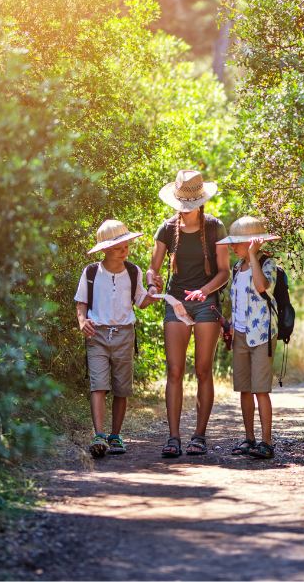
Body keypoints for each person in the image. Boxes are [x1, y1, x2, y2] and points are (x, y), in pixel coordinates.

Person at [148, 170, 229, 458]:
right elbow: (153, 268)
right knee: (174, 370)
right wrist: (151, 282)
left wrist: (205, 292)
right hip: (176, 302)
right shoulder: (167, 229)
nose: (187, 209)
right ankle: (173, 438)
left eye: (191, 203)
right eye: (183, 203)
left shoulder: (215, 227)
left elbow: (223, 272)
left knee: (203, 370)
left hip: (206, 303)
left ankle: (199, 435)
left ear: (201, 201)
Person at [75, 219, 158, 458]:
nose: (125, 250)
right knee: (98, 385)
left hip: (124, 334)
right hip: (97, 334)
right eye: (119, 247)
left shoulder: (133, 271)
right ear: (105, 250)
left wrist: (153, 294)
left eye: (126, 246)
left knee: (122, 388)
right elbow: (81, 303)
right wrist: (82, 321)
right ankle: (99, 435)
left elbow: (141, 302)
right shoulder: (91, 272)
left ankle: (115, 435)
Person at [217, 216, 282, 460]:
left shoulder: (267, 264)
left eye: (238, 243)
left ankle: (266, 441)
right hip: (241, 334)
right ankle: (249, 438)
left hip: (262, 334)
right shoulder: (236, 268)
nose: (233, 247)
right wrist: (232, 327)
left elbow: (262, 287)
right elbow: (237, 302)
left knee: (260, 390)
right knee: (244, 389)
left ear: (252, 243)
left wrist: (254, 256)